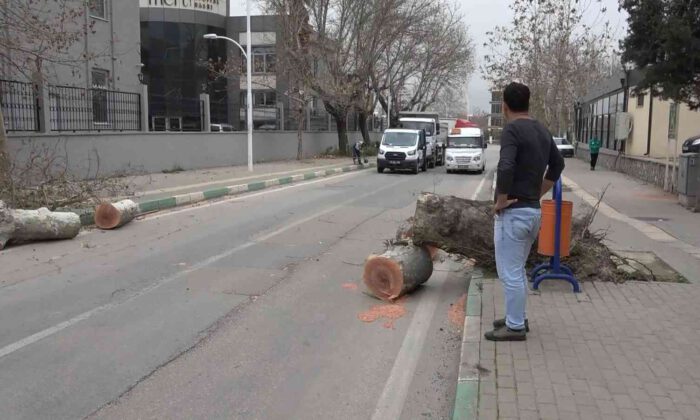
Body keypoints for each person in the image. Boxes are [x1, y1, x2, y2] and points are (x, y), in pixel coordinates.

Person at [485, 82, 565, 342]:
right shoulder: (542, 130)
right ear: (528, 103)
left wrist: (500, 200)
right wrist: (539, 192)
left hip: (514, 214)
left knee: (509, 273)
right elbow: (558, 164)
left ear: (505, 106)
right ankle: (514, 317)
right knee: (517, 270)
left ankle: (516, 326)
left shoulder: (512, 130)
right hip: (532, 212)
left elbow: (506, 165)